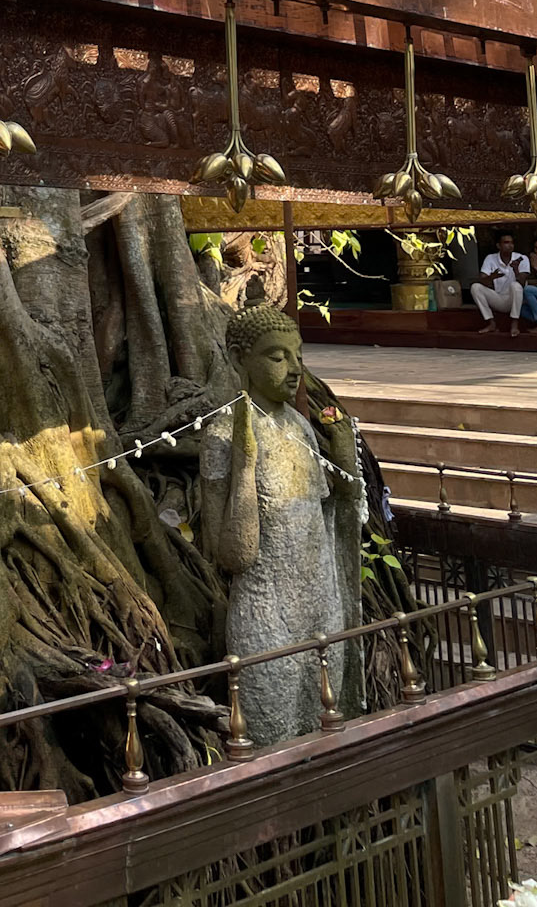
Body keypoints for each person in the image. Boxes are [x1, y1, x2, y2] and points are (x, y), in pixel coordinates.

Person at [200, 304, 364, 744]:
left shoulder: (300, 427)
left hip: (320, 602)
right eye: (278, 356)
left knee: (327, 727)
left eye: (298, 356)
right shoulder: (222, 434)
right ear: (239, 359)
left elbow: (330, 517)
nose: (295, 370)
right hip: (266, 611)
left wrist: (345, 464)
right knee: (274, 735)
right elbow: (233, 555)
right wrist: (245, 467)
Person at [470, 230, 537, 335]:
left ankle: (514, 324)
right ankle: (491, 323)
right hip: (498, 298)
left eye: (511, 243)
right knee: (475, 287)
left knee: (515, 285)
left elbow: (522, 283)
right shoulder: (490, 258)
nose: (510, 246)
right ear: (498, 245)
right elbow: (482, 279)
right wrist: (492, 277)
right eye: (506, 243)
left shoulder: (521, 258)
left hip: (515, 300)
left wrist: (516, 269)